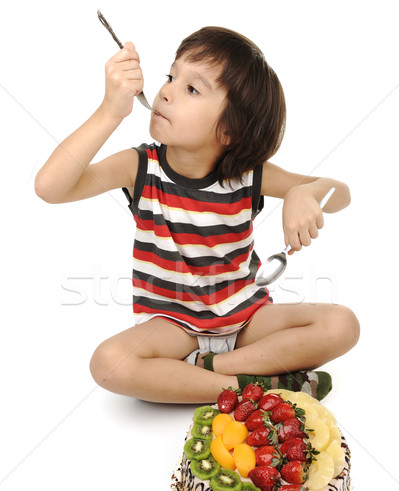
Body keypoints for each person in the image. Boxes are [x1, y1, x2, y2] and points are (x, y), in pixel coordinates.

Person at [35, 26, 360, 404]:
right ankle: (263, 385)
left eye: (192, 89)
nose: (166, 91)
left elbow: (341, 194)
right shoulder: (139, 167)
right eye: (171, 76)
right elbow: (49, 188)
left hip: (247, 319)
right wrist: (110, 111)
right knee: (108, 363)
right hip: (173, 328)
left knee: (342, 324)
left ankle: (210, 372)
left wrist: (305, 192)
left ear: (229, 130)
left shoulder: (250, 176)